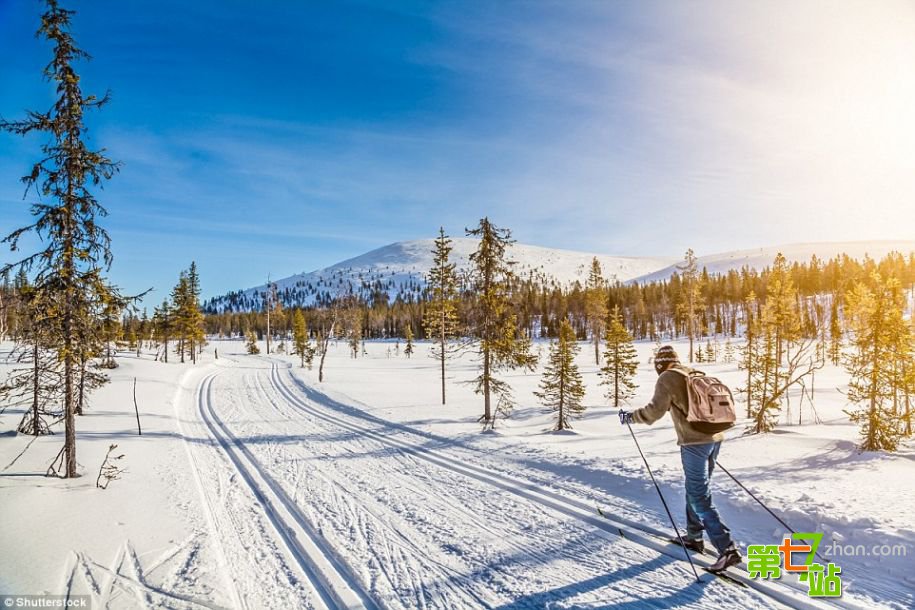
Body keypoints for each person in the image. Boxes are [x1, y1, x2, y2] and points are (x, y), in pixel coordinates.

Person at [619, 345, 741, 573]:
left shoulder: (667, 378)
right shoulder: (693, 373)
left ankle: (727, 549)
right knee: (695, 489)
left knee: (698, 494)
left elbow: (654, 412)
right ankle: (694, 536)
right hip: (714, 439)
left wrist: (630, 417)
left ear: (659, 365)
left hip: (695, 443)